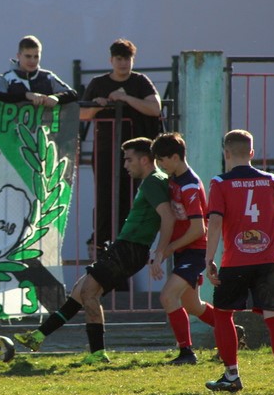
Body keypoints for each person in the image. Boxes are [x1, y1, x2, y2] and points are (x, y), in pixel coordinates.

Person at [14, 137, 174, 363]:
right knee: (79, 291)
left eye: (129, 160)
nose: (125, 165)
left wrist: (160, 253)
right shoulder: (152, 181)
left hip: (129, 249)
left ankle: (98, 354)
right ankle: (38, 336)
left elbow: (168, 217)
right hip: (125, 247)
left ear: (145, 160)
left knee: (89, 293)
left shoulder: (153, 182)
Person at [204, 129, 274, 395]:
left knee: (223, 314)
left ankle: (231, 375)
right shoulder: (270, 180)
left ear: (226, 153)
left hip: (235, 261)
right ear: (252, 153)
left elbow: (215, 222)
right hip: (268, 261)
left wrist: (209, 259)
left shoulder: (219, 183)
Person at [151, 132, 246, 365]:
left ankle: (186, 352)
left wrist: (167, 250)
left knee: (168, 296)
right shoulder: (174, 179)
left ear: (175, 157)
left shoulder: (190, 186)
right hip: (183, 250)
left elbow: (198, 230)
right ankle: (233, 331)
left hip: (194, 251)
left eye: (162, 160)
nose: (160, 165)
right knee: (192, 305)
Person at [81, 39, 162, 257]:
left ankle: (126, 242)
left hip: (135, 154)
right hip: (105, 151)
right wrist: (98, 106)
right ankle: (101, 244)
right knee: (104, 197)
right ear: (111, 60)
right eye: (119, 59)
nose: (123, 63)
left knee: (130, 197)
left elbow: (155, 108)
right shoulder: (98, 83)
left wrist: (124, 98)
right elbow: (82, 114)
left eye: (127, 59)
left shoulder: (140, 82)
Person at [0, 35, 77, 107]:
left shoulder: (48, 77)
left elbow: (73, 93)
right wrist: (26, 95)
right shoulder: (5, 78)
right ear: (18, 56)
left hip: (44, 123)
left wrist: (56, 97)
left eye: (36, 57)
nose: (32, 61)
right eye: (28, 56)